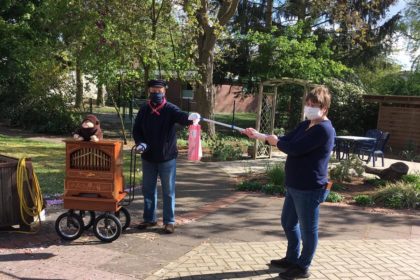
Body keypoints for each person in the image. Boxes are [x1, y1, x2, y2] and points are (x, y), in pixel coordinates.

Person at [242, 86, 335, 279]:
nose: (309, 107)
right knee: (288, 222)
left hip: (310, 188)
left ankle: (302, 266)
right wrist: (258, 135)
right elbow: (285, 140)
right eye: (308, 104)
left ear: (324, 108)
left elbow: (295, 148)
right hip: (294, 185)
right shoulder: (305, 125)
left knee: (309, 230)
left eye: (314, 105)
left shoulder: (324, 130)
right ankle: (292, 258)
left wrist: (276, 142)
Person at [132, 79, 200, 234]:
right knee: (148, 189)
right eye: (153, 90)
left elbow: (181, 116)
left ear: (164, 92)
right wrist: (140, 142)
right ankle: (149, 219)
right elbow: (136, 130)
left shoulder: (169, 109)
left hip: (167, 157)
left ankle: (169, 221)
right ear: (149, 91)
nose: (156, 93)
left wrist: (191, 117)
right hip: (148, 156)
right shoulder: (144, 110)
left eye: (159, 90)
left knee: (168, 191)